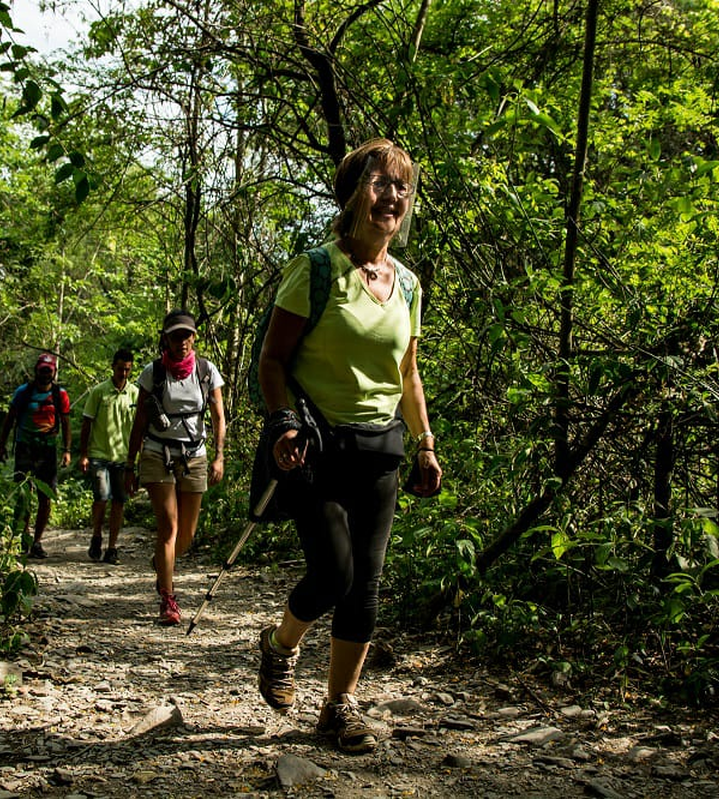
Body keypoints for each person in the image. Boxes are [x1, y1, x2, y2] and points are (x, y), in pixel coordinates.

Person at [255, 138, 442, 753]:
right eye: (380, 182)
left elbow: (408, 373)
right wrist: (283, 422)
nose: (393, 196)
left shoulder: (408, 285)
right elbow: (272, 361)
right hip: (315, 447)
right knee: (334, 572)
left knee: (366, 584)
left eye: (402, 186)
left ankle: (339, 707)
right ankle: (280, 644)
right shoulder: (315, 270)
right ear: (354, 192)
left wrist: (425, 443)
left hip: (381, 450)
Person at [124, 311, 226, 625]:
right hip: (157, 453)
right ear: (165, 339)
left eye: (187, 335)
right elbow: (140, 420)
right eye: (175, 336)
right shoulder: (152, 373)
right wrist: (130, 464)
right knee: (168, 526)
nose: (182, 342)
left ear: (194, 337)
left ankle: (161, 562)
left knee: (187, 533)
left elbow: (219, 417)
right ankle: (168, 599)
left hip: (194, 455)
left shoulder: (206, 371)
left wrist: (219, 456)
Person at [0, 351, 72, 559]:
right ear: (36, 371)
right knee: (24, 495)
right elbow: (10, 419)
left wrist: (67, 451)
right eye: (42, 371)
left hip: (48, 450)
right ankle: (24, 537)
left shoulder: (60, 395)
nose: (45, 374)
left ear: (54, 372)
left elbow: (66, 423)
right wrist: (2, 445)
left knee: (45, 497)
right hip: (25, 448)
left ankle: (37, 541)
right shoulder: (23, 392)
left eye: (49, 371)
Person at [78, 348, 139, 564]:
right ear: (113, 367)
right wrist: (83, 454)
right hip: (99, 454)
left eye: (127, 370)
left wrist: (138, 457)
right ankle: (97, 535)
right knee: (102, 497)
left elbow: (139, 427)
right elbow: (87, 423)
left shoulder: (135, 393)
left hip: (123, 457)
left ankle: (112, 547)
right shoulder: (99, 392)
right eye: (120, 369)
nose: (123, 373)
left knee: (119, 501)